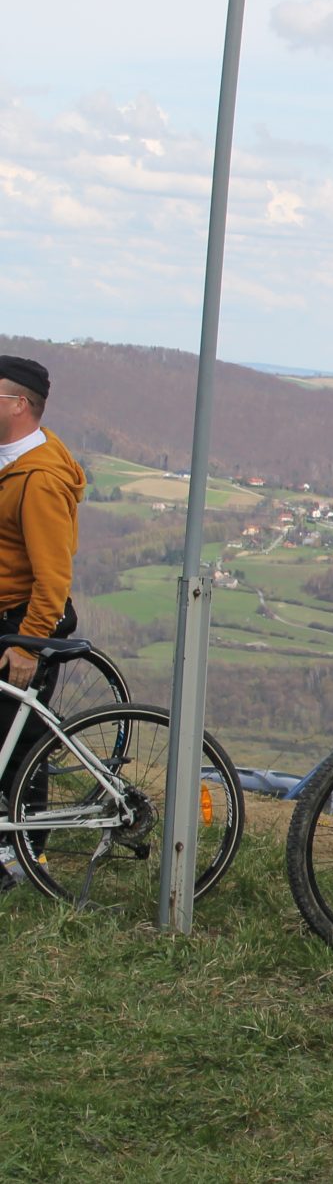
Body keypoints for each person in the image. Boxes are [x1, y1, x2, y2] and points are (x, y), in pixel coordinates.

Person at [0, 355, 83, 883]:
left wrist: (28, 644)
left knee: (18, 744)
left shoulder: (41, 479)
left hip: (22, 620)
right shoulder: (11, 461)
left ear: (18, 405)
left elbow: (53, 576)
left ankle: (26, 858)